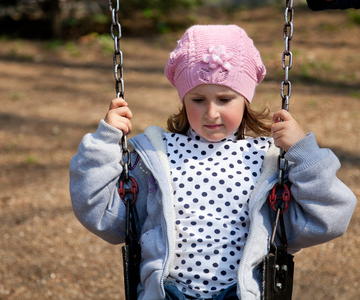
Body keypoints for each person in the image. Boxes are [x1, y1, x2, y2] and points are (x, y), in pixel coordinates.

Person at [69, 25, 357, 300]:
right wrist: (105, 141)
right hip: (168, 293)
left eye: (224, 98)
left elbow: (331, 216)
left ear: (245, 99)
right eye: (197, 99)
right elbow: (101, 214)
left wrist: (303, 154)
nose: (211, 113)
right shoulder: (158, 156)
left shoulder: (267, 159)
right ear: (183, 100)